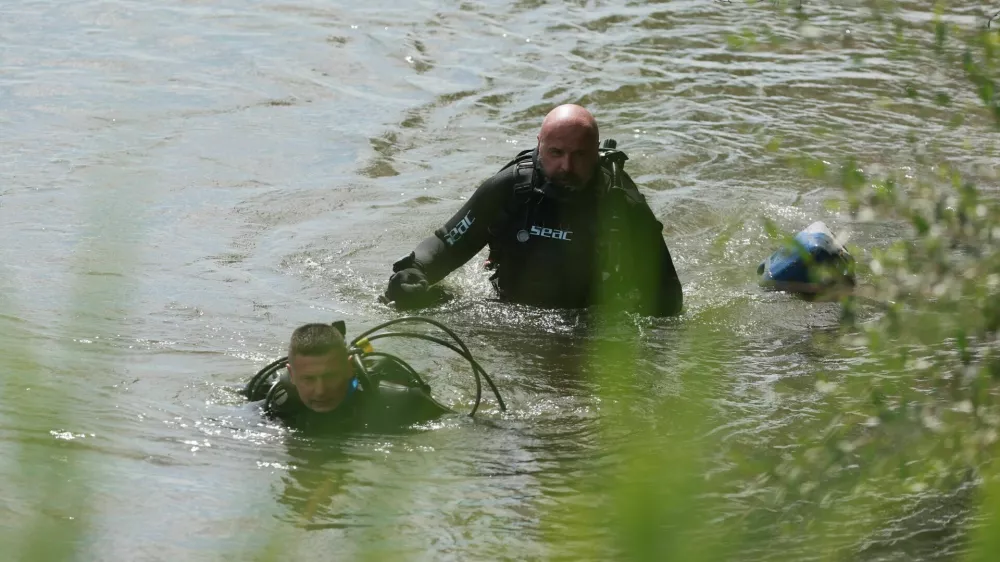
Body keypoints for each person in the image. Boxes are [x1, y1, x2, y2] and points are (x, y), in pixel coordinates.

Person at [383, 104, 683, 317]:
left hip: (588, 321)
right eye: (556, 153)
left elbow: (668, 297)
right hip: (507, 307)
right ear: (540, 146)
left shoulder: (623, 205)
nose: (566, 166)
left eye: (580, 155)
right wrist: (415, 270)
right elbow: (447, 243)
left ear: (595, 153)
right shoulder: (509, 189)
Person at [243, 323, 453, 432]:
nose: (320, 391)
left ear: (350, 368)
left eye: (330, 376)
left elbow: (461, 426)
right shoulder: (276, 401)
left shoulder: (401, 401)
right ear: (292, 375)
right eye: (308, 379)